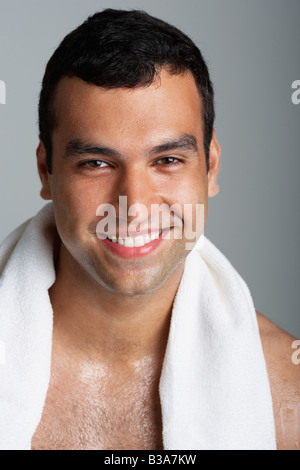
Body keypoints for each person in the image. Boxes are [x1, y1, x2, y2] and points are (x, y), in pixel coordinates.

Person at [0, 9, 299, 451]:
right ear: (46, 171)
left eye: (168, 160)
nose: (134, 206)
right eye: (97, 163)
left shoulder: (285, 390)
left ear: (210, 166)